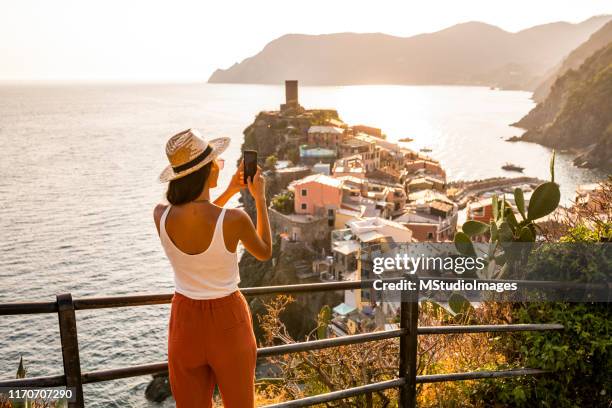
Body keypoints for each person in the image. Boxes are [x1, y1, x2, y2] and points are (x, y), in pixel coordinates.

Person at [153, 128, 272, 407]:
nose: (220, 166)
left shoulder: (160, 214)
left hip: (185, 320)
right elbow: (265, 251)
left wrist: (231, 190)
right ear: (207, 172)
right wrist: (260, 198)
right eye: (217, 162)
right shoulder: (235, 220)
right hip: (228, 319)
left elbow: (200, 217)